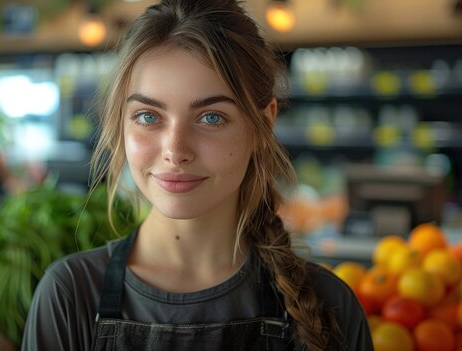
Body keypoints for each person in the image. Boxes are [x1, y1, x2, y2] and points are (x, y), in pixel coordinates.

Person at [22, 0, 373, 350]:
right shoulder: (69, 297)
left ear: (263, 124)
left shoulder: (332, 307)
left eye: (211, 118)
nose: (175, 151)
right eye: (148, 116)